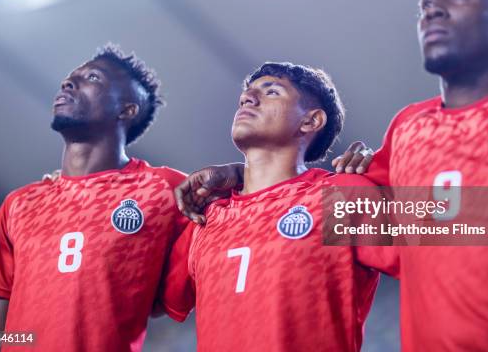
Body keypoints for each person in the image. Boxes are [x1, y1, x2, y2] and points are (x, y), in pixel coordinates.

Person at [175, 0, 488, 352]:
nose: (434, 12)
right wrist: (242, 176)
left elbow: (444, 231)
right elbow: (149, 292)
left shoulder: (336, 200)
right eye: (427, 4)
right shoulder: (406, 130)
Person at [159, 62, 386, 351]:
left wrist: (381, 166)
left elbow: (456, 226)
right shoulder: (206, 218)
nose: (248, 98)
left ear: (310, 121)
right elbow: (147, 302)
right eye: (247, 93)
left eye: (272, 92)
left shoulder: (338, 198)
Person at [0, 45, 188, 351]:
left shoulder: (164, 189)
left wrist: (234, 172)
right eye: (69, 78)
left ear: (127, 110)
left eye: (92, 77)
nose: (68, 83)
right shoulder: (19, 204)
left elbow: (248, 200)